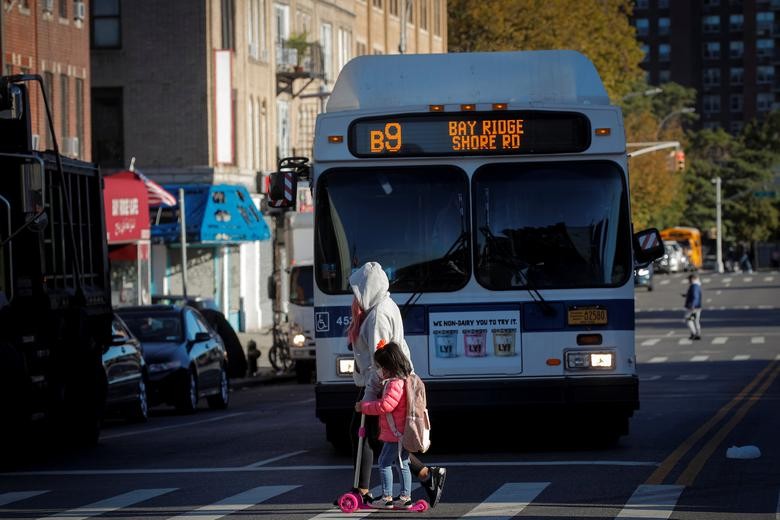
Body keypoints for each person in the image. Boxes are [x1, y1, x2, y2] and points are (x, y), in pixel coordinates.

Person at [346, 261, 446, 507]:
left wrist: (370, 396)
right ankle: (425, 475)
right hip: (391, 379)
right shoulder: (384, 305)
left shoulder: (378, 314)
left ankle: (363, 490)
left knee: (366, 434)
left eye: (358, 290)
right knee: (387, 437)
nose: (355, 297)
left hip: (384, 383)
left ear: (367, 289)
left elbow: (379, 361)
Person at [357, 341, 414, 509]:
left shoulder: (394, 383)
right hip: (402, 431)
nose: (379, 371)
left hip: (395, 433)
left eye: (380, 367)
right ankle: (405, 497)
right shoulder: (404, 380)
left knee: (384, 462)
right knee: (402, 463)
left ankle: (387, 497)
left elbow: (386, 406)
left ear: (389, 367)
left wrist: (364, 407)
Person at [683, 274, 702, 340]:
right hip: (697, 306)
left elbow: (695, 296)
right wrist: (686, 295)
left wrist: (693, 305)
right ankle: (698, 334)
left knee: (688, 320)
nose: (688, 281)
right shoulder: (697, 285)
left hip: (693, 307)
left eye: (689, 279)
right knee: (695, 320)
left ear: (693, 279)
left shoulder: (694, 286)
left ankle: (694, 333)